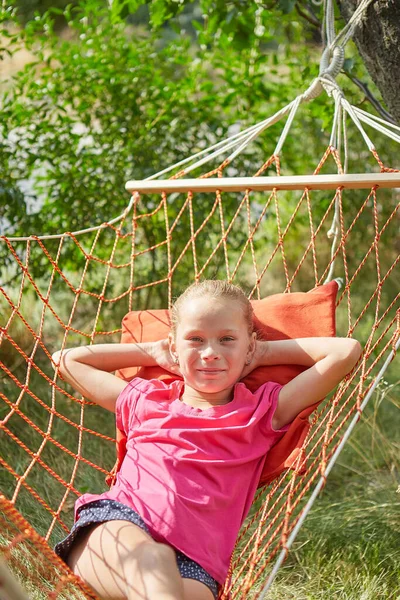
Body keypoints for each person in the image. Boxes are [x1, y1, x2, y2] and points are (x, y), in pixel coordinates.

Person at [52, 280, 361, 600]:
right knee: (154, 562)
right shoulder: (147, 400)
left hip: (196, 565)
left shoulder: (261, 413)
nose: (210, 353)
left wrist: (263, 353)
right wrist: (153, 351)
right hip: (117, 528)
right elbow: (67, 360)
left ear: (250, 346)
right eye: (195, 340)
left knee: (162, 578)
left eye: (227, 339)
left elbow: (346, 351)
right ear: (174, 347)